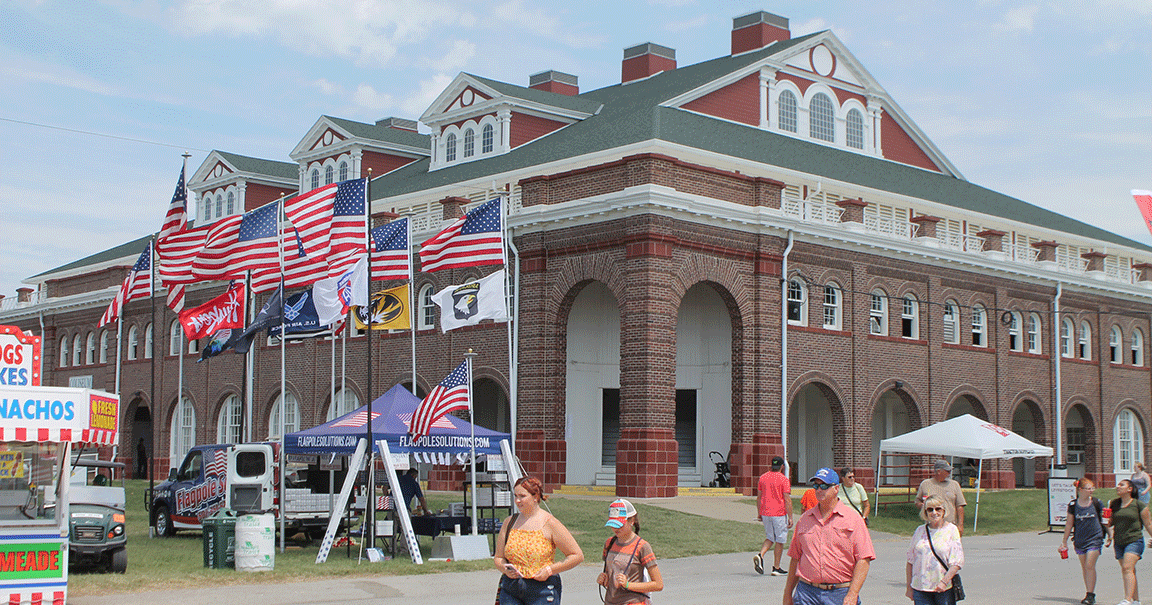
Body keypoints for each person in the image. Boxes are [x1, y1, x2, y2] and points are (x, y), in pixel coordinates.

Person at [783, 467, 875, 605]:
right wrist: (787, 594)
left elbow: (864, 559)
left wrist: (853, 594)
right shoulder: (804, 519)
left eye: (824, 486)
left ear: (836, 489)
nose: (819, 490)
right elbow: (796, 558)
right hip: (806, 593)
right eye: (816, 485)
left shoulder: (853, 519)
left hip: (839, 593)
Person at [494, 476, 584, 605]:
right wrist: (504, 568)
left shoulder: (550, 523)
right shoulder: (509, 522)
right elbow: (498, 557)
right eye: (516, 496)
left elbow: (577, 555)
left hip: (541, 589)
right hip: (511, 587)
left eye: (522, 496)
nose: (518, 501)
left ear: (535, 497)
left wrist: (550, 570)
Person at [596, 499, 664, 604]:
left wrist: (628, 585)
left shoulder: (642, 546)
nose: (615, 528)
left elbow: (658, 584)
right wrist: (604, 579)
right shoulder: (609, 543)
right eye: (613, 524)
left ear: (632, 521)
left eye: (620, 525)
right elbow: (611, 579)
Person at [905, 495, 964, 605]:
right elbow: (910, 561)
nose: (934, 512)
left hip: (943, 588)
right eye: (930, 509)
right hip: (920, 588)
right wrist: (909, 587)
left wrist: (944, 582)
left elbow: (956, 562)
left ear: (944, 511)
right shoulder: (919, 530)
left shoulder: (951, 530)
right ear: (925, 512)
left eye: (938, 509)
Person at [1060, 478, 1108, 605]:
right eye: (1088, 488)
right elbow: (1069, 524)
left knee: (1089, 565)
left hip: (1095, 538)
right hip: (1080, 540)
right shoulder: (1073, 505)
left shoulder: (1097, 503)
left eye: (1092, 488)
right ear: (1080, 490)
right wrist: (1064, 542)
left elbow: (1104, 520)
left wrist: (1110, 534)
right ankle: (1088, 592)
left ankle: (1091, 595)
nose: (1091, 491)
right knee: (1085, 567)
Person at [1107, 479, 1152, 605]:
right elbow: (1110, 523)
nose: (1118, 486)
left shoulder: (1138, 505)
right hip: (1119, 541)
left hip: (1134, 540)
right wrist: (1106, 523)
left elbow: (1148, 524)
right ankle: (1136, 600)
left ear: (1129, 489)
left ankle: (1127, 599)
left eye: (1122, 485)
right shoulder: (1114, 504)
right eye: (1118, 484)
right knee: (1129, 571)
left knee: (1127, 567)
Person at [755, 456, 793, 576]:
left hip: (766, 512)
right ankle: (776, 567)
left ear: (771, 466)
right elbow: (787, 499)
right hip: (779, 513)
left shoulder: (763, 477)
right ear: (782, 466)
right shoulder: (784, 479)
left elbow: (759, 497)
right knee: (780, 540)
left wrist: (759, 512)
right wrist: (790, 517)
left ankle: (760, 555)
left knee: (770, 537)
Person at [916, 460, 966, 536]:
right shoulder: (925, 484)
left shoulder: (954, 484)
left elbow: (960, 506)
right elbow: (917, 501)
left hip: (950, 526)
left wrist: (960, 525)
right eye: (947, 471)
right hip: (931, 527)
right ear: (939, 471)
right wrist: (922, 505)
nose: (949, 473)